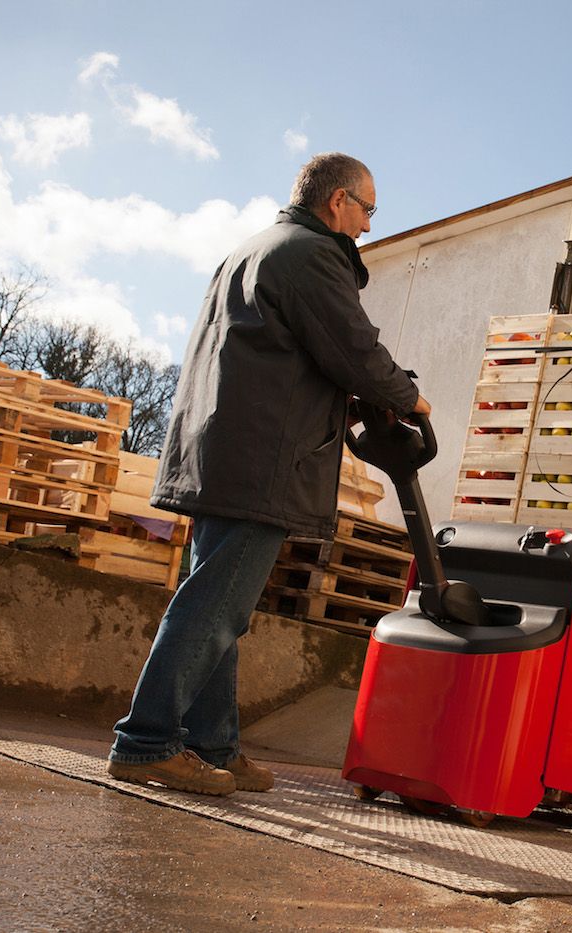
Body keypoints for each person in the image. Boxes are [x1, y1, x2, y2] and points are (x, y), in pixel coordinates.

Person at [107, 153, 430, 796]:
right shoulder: (311, 255)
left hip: (221, 449)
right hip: (261, 457)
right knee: (213, 605)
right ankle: (145, 742)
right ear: (337, 201)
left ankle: (213, 746)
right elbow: (351, 347)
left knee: (223, 604)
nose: (367, 226)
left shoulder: (252, 250)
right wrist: (408, 398)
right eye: (368, 209)